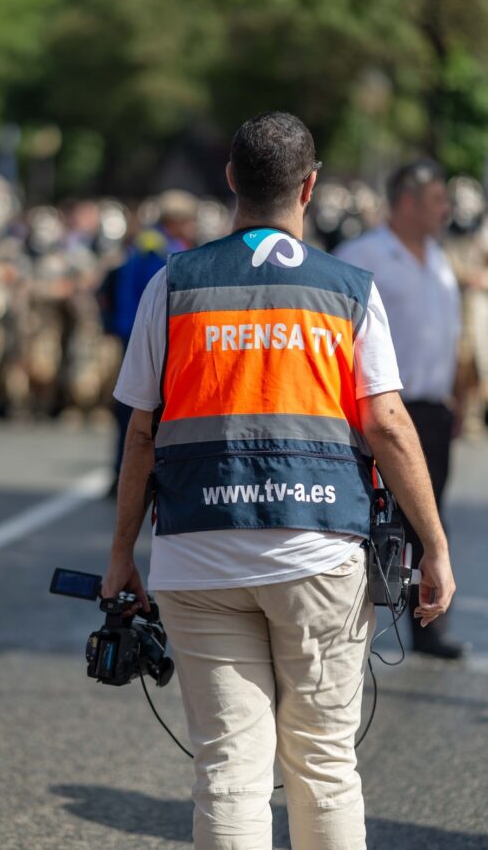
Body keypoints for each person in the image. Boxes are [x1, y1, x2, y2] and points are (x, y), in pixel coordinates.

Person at [102, 113, 456, 850]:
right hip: (318, 552)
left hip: (197, 553)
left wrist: (120, 555)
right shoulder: (347, 288)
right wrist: (434, 544)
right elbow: (388, 425)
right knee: (324, 764)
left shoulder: (173, 285)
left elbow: (140, 433)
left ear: (231, 178)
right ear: (310, 186)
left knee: (228, 770)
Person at [335, 160, 466, 660]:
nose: (445, 209)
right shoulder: (362, 256)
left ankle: (427, 624)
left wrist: (459, 397)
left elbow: (450, 336)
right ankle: (349, 624)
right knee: (374, 517)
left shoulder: (438, 257)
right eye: (436, 199)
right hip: (383, 409)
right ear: (408, 201)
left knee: (430, 517)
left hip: (432, 409)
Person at [99, 190, 198, 488]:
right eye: (189, 220)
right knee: (142, 411)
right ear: (175, 221)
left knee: (132, 408)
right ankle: (130, 476)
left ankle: (122, 472)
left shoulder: (147, 242)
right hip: (148, 335)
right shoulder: (162, 249)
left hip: (131, 331)